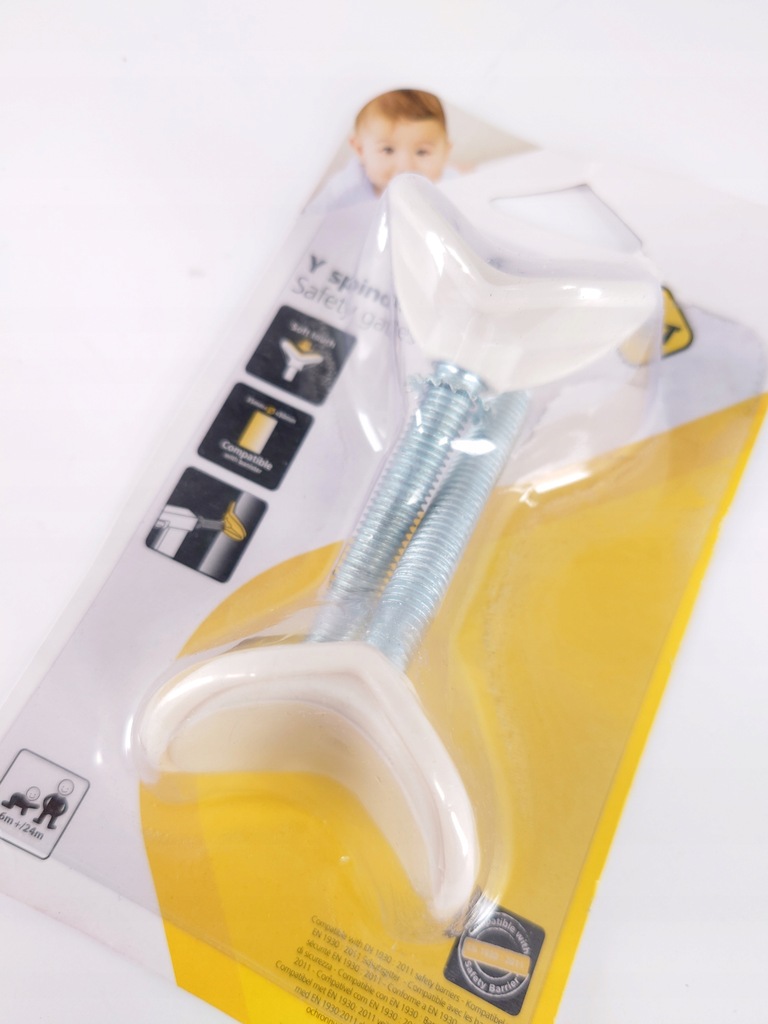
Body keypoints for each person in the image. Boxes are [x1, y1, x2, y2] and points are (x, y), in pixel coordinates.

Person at [306, 89, 455, 214]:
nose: (405, 167)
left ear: (445, 153)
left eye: (422, 152)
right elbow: (308, 223)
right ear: (360, 150)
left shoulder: (452, 188)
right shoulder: (344, 189)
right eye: (388, 150)